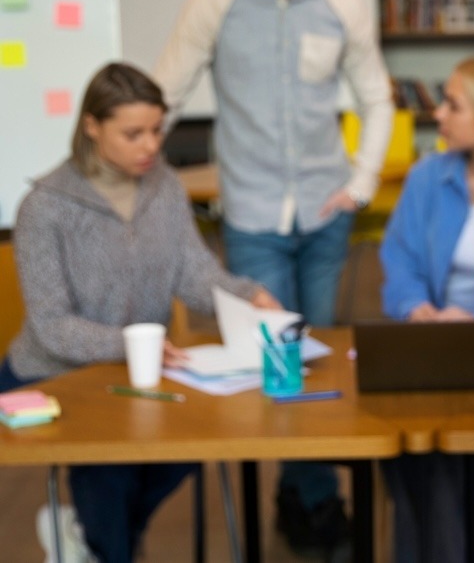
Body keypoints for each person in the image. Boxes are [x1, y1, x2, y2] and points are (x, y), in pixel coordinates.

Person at [153, 0, 395, 560]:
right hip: (254, 214)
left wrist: (362, 181)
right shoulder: (216, 1)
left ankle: (300, 492)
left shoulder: (341, 4)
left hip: (325, 214)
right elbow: (165, 91)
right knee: (276, 361)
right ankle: (316, 500)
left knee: (313, 363)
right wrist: (139, 167)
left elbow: (377, 97)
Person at [0, 62, 280, 563]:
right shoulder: (44, 207)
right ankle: (104, 546)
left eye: (156, 130)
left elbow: (193, 274)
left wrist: (246, 296)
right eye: (133, 133)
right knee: (113, 467)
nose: (150, 145)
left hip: (141, 371)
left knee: (189, 449)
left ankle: (86, 540)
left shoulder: (165, 188)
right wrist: (126, 342)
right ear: (91, 127)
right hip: (54, 373)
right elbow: (50, 323)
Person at [379, 55, 474, 562]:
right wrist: (415, 306)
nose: (438, 115)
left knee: (442, 445)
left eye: (453, 105)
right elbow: (398, 259)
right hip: (434, 346)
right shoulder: (428, 177)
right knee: (403, 440)